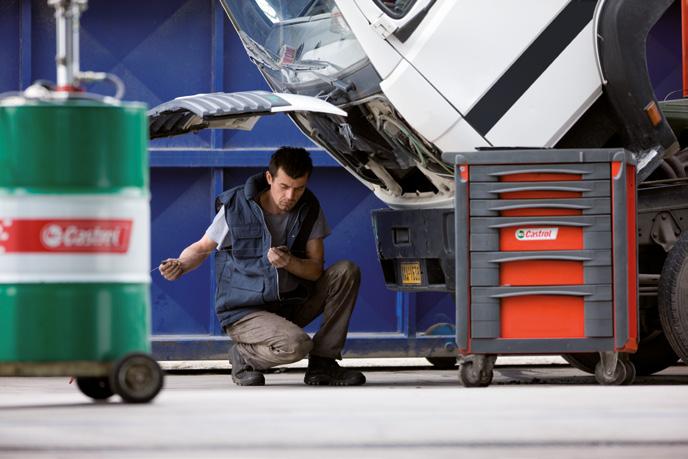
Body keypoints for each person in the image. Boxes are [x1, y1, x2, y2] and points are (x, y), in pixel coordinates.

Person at [159, 146, 365, 386]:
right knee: (297, 345)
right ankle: (243, 355)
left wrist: (289, 262)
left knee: (346, 272)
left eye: (299, 188)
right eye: (284, 187)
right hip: (244, 311)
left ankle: (323, 363)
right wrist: (181, 264)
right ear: (269, 178)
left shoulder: (309, 208)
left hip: (290, 303)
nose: (290, 196)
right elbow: (202, 246)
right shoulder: (236, 205)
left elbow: (315, 270)